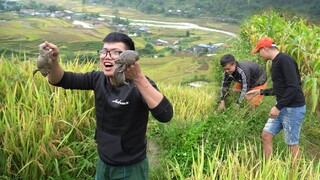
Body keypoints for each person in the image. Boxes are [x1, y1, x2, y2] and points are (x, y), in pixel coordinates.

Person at [43, 32, 173, 179]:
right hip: (104, 161)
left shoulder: (139, 85)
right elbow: (61, 80)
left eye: (116, 52)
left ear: (128, 57)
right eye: (104, 51)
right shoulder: (97, 78)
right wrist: (53, 62)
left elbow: (165, 115)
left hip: (130, 166)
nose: (107, 56)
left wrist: (138, 78)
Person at [247, 36, 306, 161]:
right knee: (266, 135)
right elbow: (281, 89)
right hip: (283, 106)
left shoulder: (284, 60)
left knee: (292, 144)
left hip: (293, 108)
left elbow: (293, 86)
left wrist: (278, 107)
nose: (259, 55)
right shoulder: (276, 62)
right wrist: (259, 91)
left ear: (264, 49)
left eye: (259, 51)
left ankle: (294, 174)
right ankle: (268, 168)